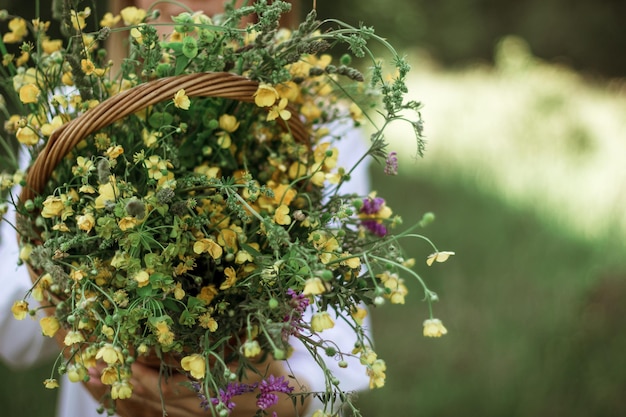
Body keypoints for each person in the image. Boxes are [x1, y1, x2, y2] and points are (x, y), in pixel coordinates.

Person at [0, 1, 372, 416]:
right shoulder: (67, 116)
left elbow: (346, 362)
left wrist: (269, 399)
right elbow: (14, 334)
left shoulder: (320, 128)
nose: (197, 11)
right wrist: (70, 312)